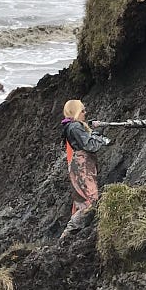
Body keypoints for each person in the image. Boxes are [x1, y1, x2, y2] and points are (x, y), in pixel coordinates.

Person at [59, 99, 111, 239]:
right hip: (82, 167)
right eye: (82, 110)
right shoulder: (75, 127)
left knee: (83, 201)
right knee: (90, 202)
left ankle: (73, 237)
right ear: (75, 112)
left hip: (81, 165)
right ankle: (68, 235)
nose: (85, 113)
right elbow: (89, 145)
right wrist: (101, 138)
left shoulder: (73, 126)